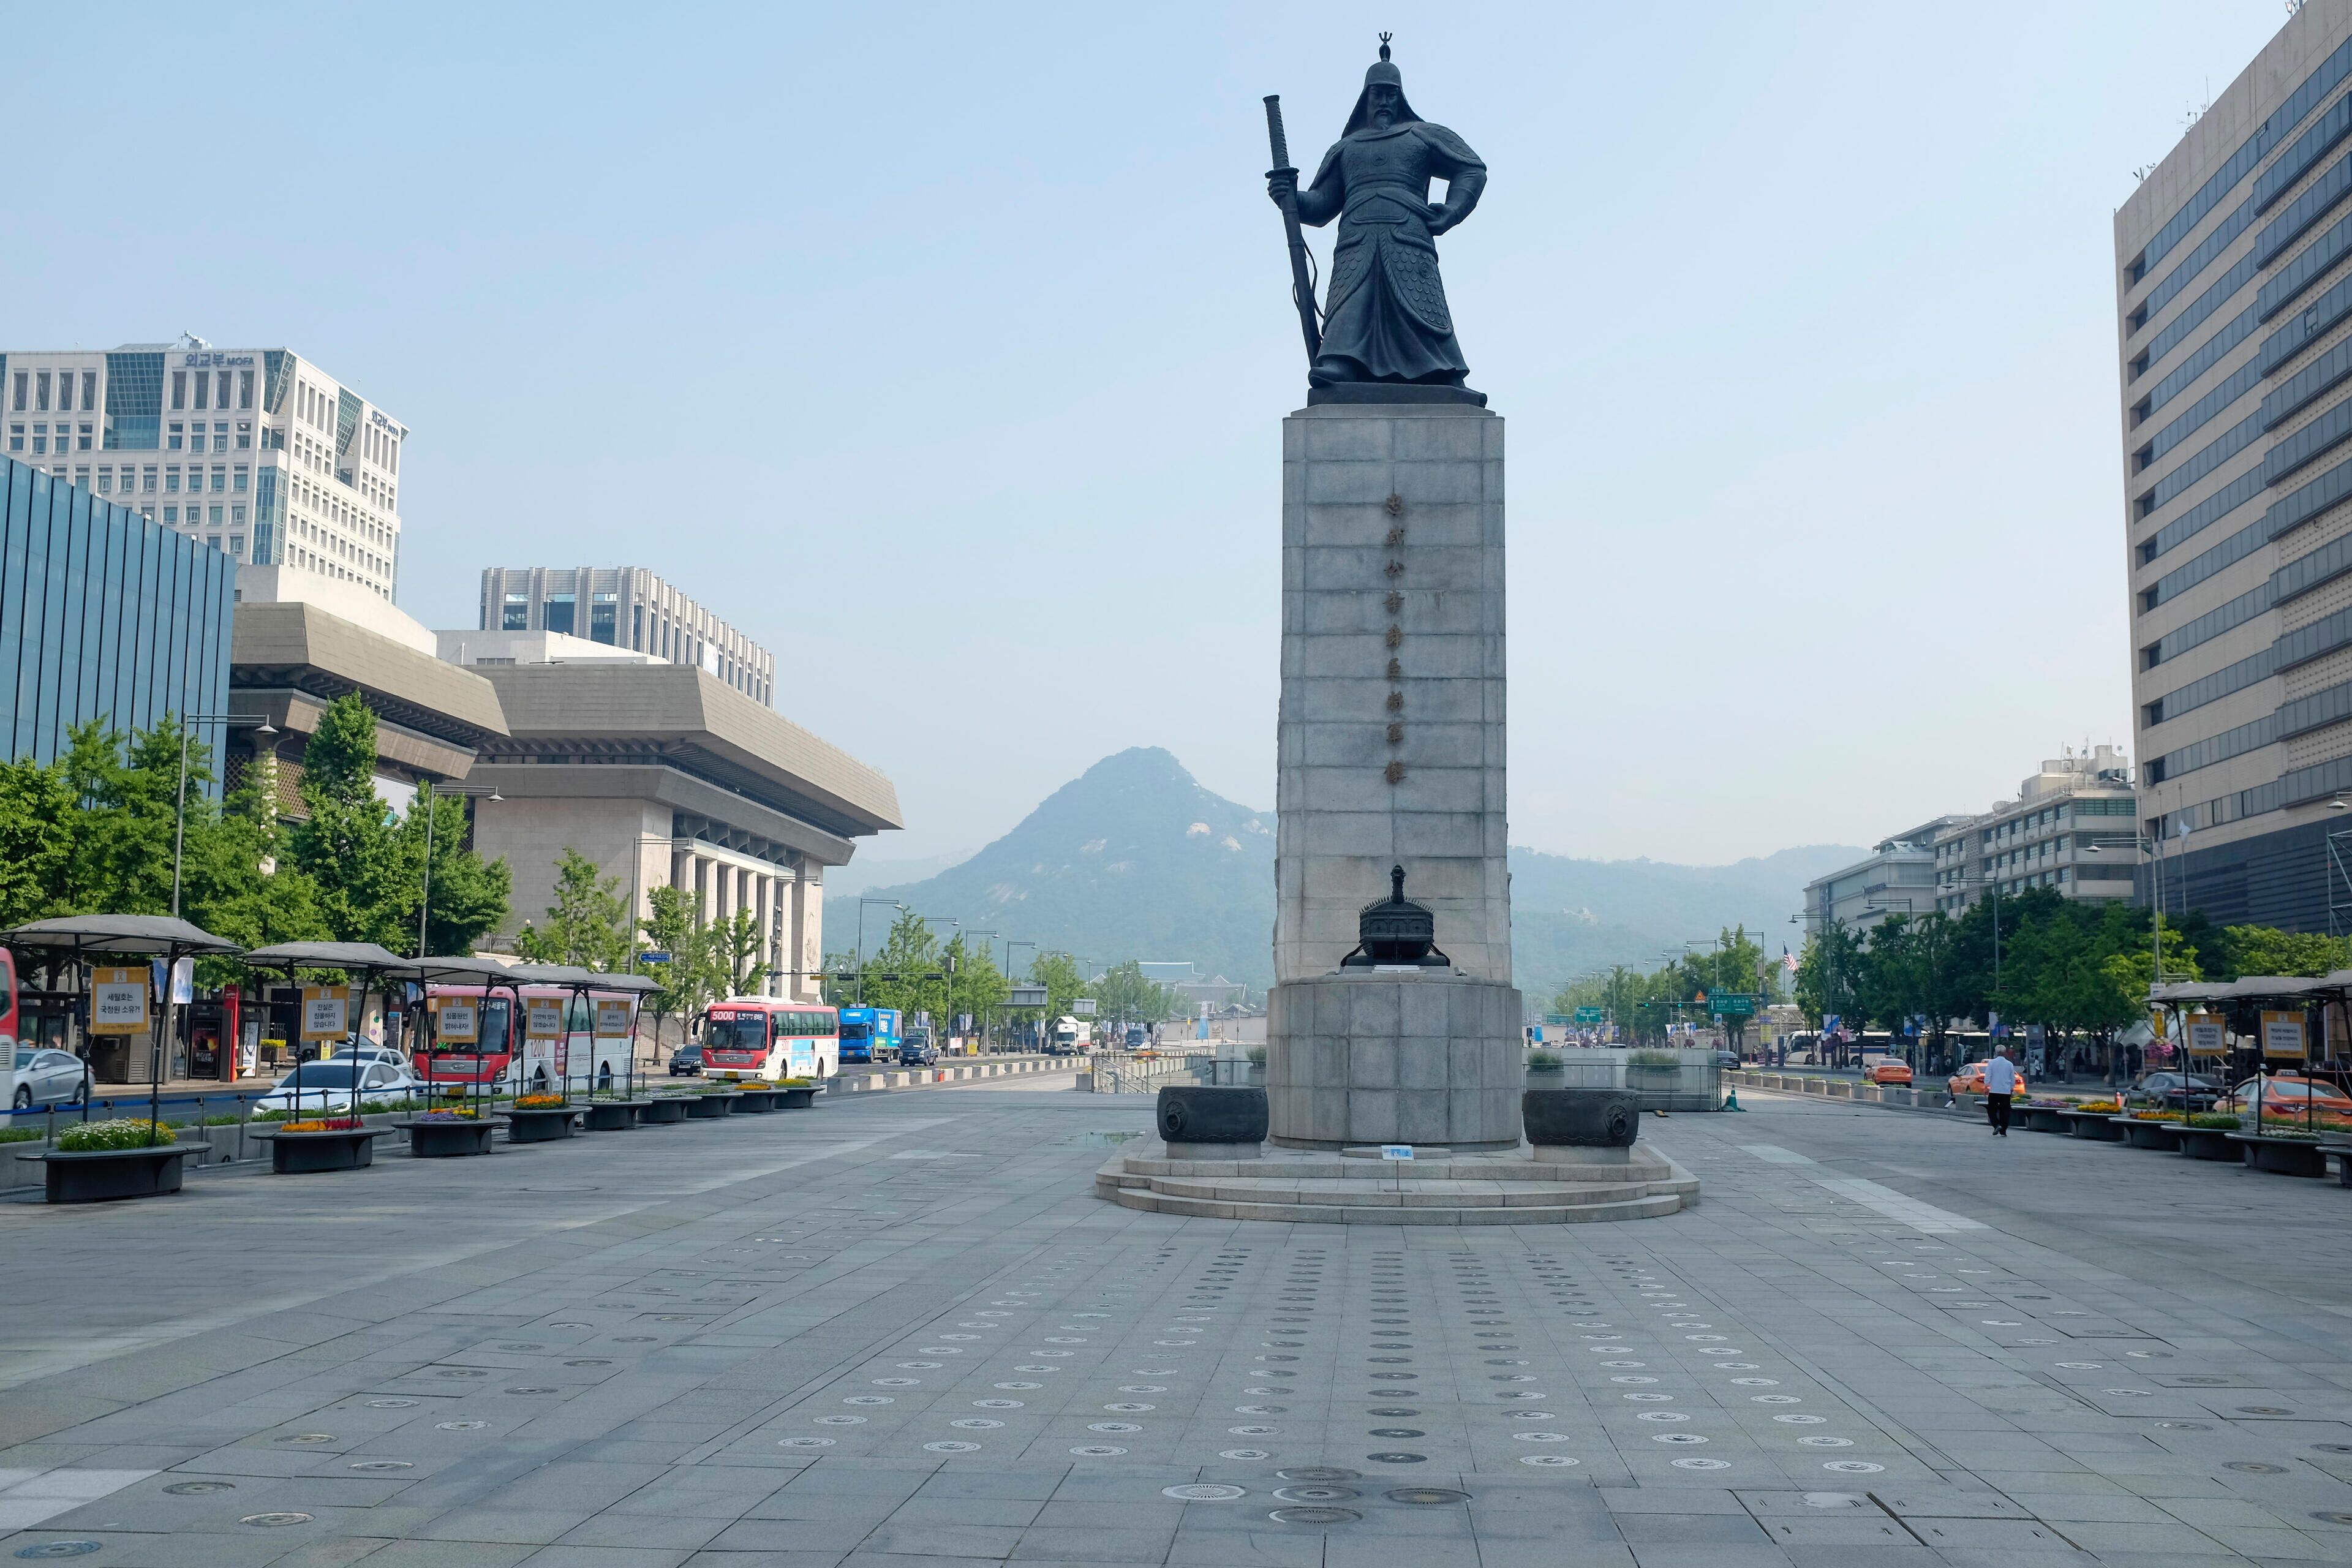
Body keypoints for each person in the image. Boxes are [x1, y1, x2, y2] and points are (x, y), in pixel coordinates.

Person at [1983, 1047, 2019, 1137]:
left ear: (1996, 1052)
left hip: (1994, 1090)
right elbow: (2012, 1077)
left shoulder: (1991, 1063)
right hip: (2006, 1091)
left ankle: (1996, 1124)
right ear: (2005, 1053)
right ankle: (2004, 1130)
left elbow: (1988, 1075)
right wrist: (2012, 1088)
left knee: (1992, 1110)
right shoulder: (2009, 1064)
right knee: (2005, 1111)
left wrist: (1986, 1086)